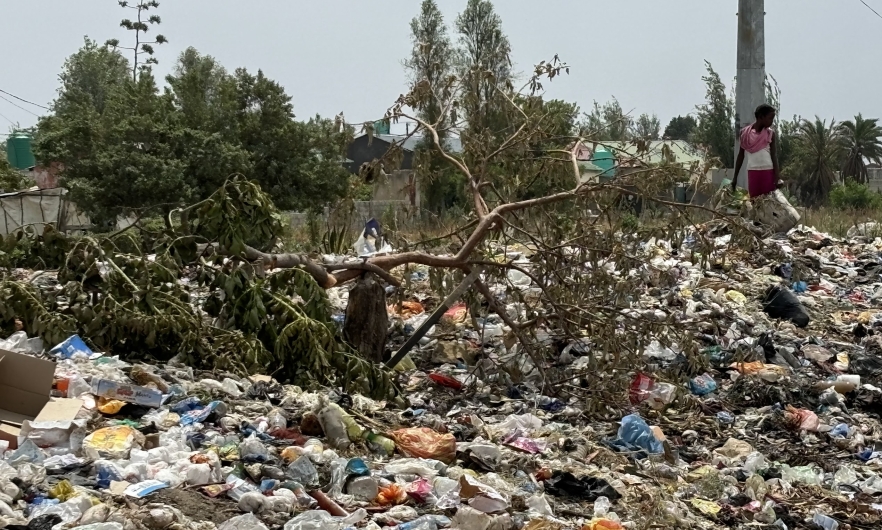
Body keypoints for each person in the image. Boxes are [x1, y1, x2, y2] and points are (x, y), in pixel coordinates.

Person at [732, 104, 780, 198]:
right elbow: (741, 156)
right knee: (754, 201)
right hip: (753, 171)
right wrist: (735, 177)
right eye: (770, 118)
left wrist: (777, 177)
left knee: (768, 201)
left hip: (768, 171)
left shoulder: (770, 133)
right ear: (761, 117)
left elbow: (774, 155)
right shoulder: (745, 134)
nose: (772, 121)